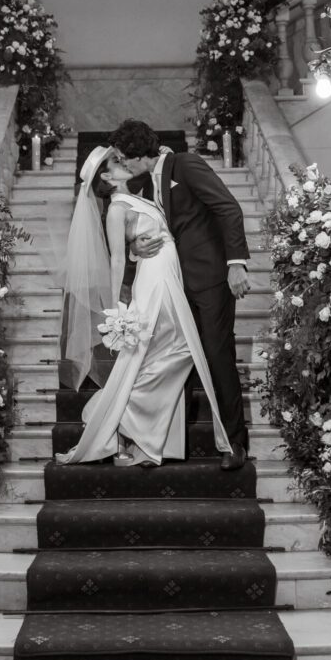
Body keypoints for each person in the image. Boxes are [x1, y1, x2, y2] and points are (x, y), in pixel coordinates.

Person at [56, 145, 233, 468]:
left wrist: (137, 245)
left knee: (167, 351)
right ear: (107, 177)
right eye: (115, 162)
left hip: (170, 274)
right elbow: (117, 259)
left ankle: (130, 423)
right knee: (180, 346)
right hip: (155, 281)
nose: (122, 161)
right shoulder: (115, 207)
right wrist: (115, 309)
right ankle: (124, 420)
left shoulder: (140, 196)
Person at [108, 120, 251, 470]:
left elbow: (228, 208)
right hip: (177, 283)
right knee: (176, 357)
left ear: (141, 155)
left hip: (210, 278)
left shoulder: (184, 164)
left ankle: (234, 444)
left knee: (218, 357)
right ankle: (163, 438)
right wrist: (136, 246)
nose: (124, 164)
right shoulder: (148, 183)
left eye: (126, 158)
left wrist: (236, 263)